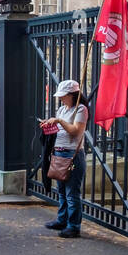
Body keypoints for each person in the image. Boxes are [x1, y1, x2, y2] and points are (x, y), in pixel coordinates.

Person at [40, 79, 88, 238]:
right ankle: (62, 219)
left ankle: (73, 226)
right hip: (59, 153)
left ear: (73, 95)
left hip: (72, 154)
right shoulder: (62, 109)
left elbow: (75, 131)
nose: (61, 98)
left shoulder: (81, 109)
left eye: (64, 96)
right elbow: (59, 130)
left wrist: (59, 121)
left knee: (71, 192)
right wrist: (49, 124)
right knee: (61, 190)